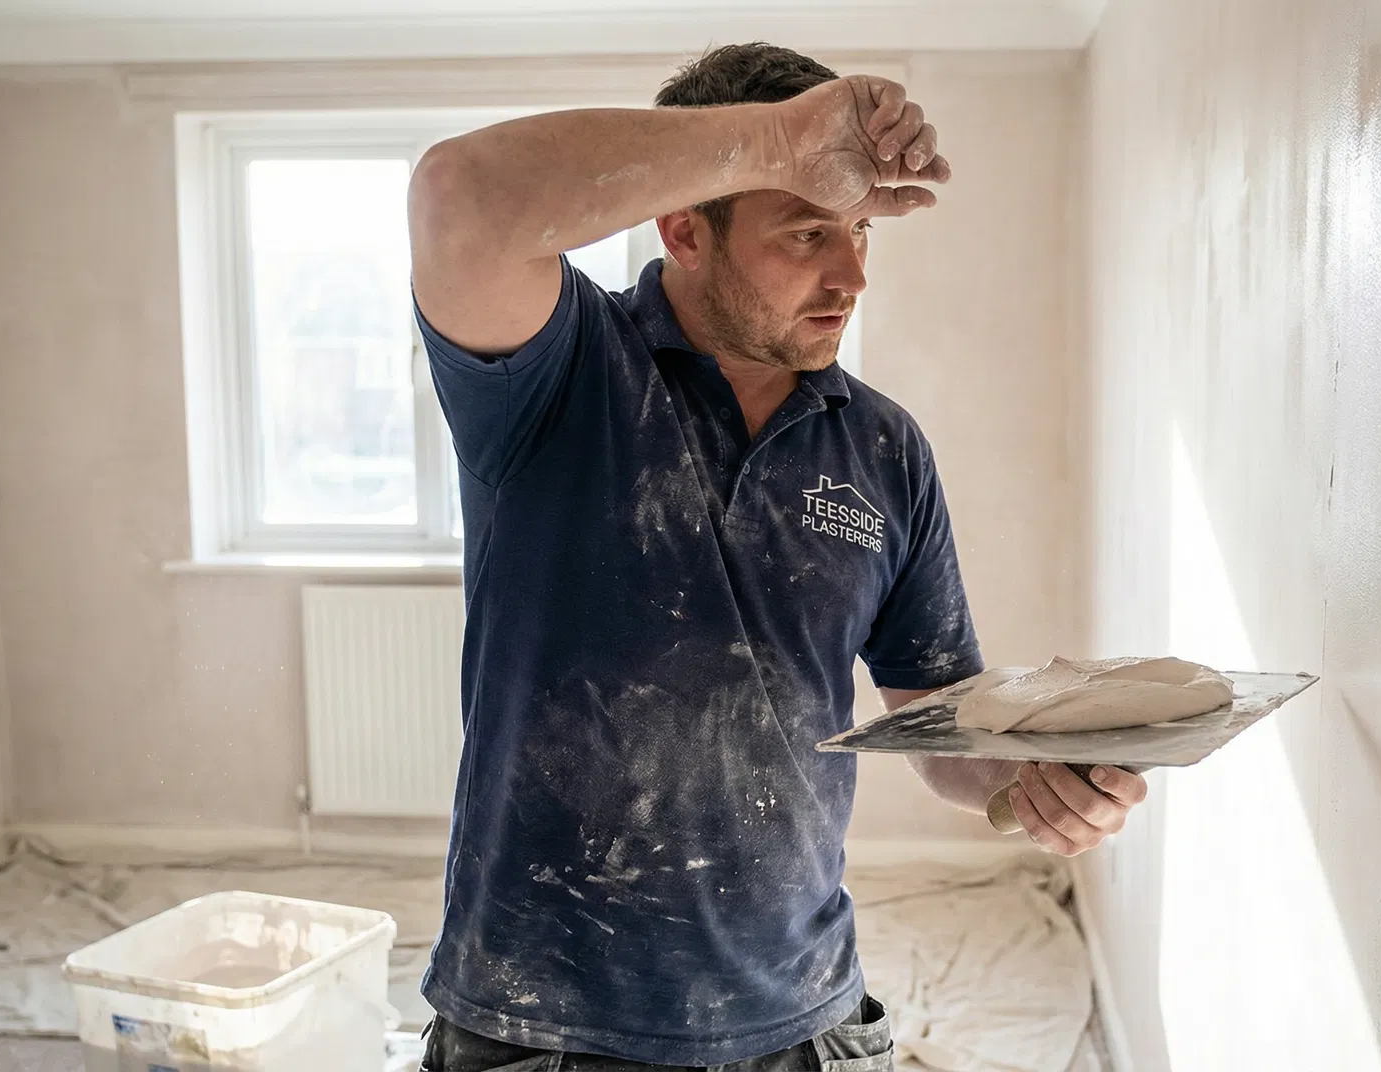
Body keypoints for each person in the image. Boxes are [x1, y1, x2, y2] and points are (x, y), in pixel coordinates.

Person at [406, 42, 1149, 1072]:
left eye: (857, 229)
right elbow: (460, 196)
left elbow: (938, 720)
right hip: (543, 1023)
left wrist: (1026, 779)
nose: (851, 276)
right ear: (684, 229)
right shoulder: (560, 371)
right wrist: (783, 138)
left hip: (799, 1019)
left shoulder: (882, 448)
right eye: (808, 231)